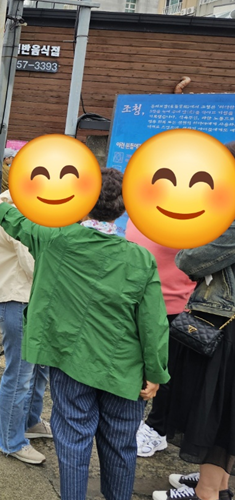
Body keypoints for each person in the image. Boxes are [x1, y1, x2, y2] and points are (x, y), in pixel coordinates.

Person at [0, 165, 169, 500]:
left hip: (70, 361)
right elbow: (154, 323)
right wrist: (155, 372)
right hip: (123, 370)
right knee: (120, 446)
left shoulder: (56, 240)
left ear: (82, 200)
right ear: (124, 208)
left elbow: (14, 219)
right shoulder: (140, 258)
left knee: (73, 442)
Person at [154, 143, 235, 500]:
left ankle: (206, 492)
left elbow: (189, 260)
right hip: (226, 326)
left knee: (211, 412)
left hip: (225, 330)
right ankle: (218, 485)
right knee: (225, 414)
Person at [0, 188, 51, 465]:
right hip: (16, 299)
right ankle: (10, 441)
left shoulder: (31, 206)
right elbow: (33, 263)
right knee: (21, 372)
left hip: (27, 299)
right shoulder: (18, 208)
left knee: (38, 369)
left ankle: (30, 422)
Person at [126, 219, 195, 459]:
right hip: (136, 298)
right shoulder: (141, 210)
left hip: (173, 304)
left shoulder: (192, 215)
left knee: (164, 372)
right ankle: (139, 422)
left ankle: (157, 429)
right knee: (135, 365)